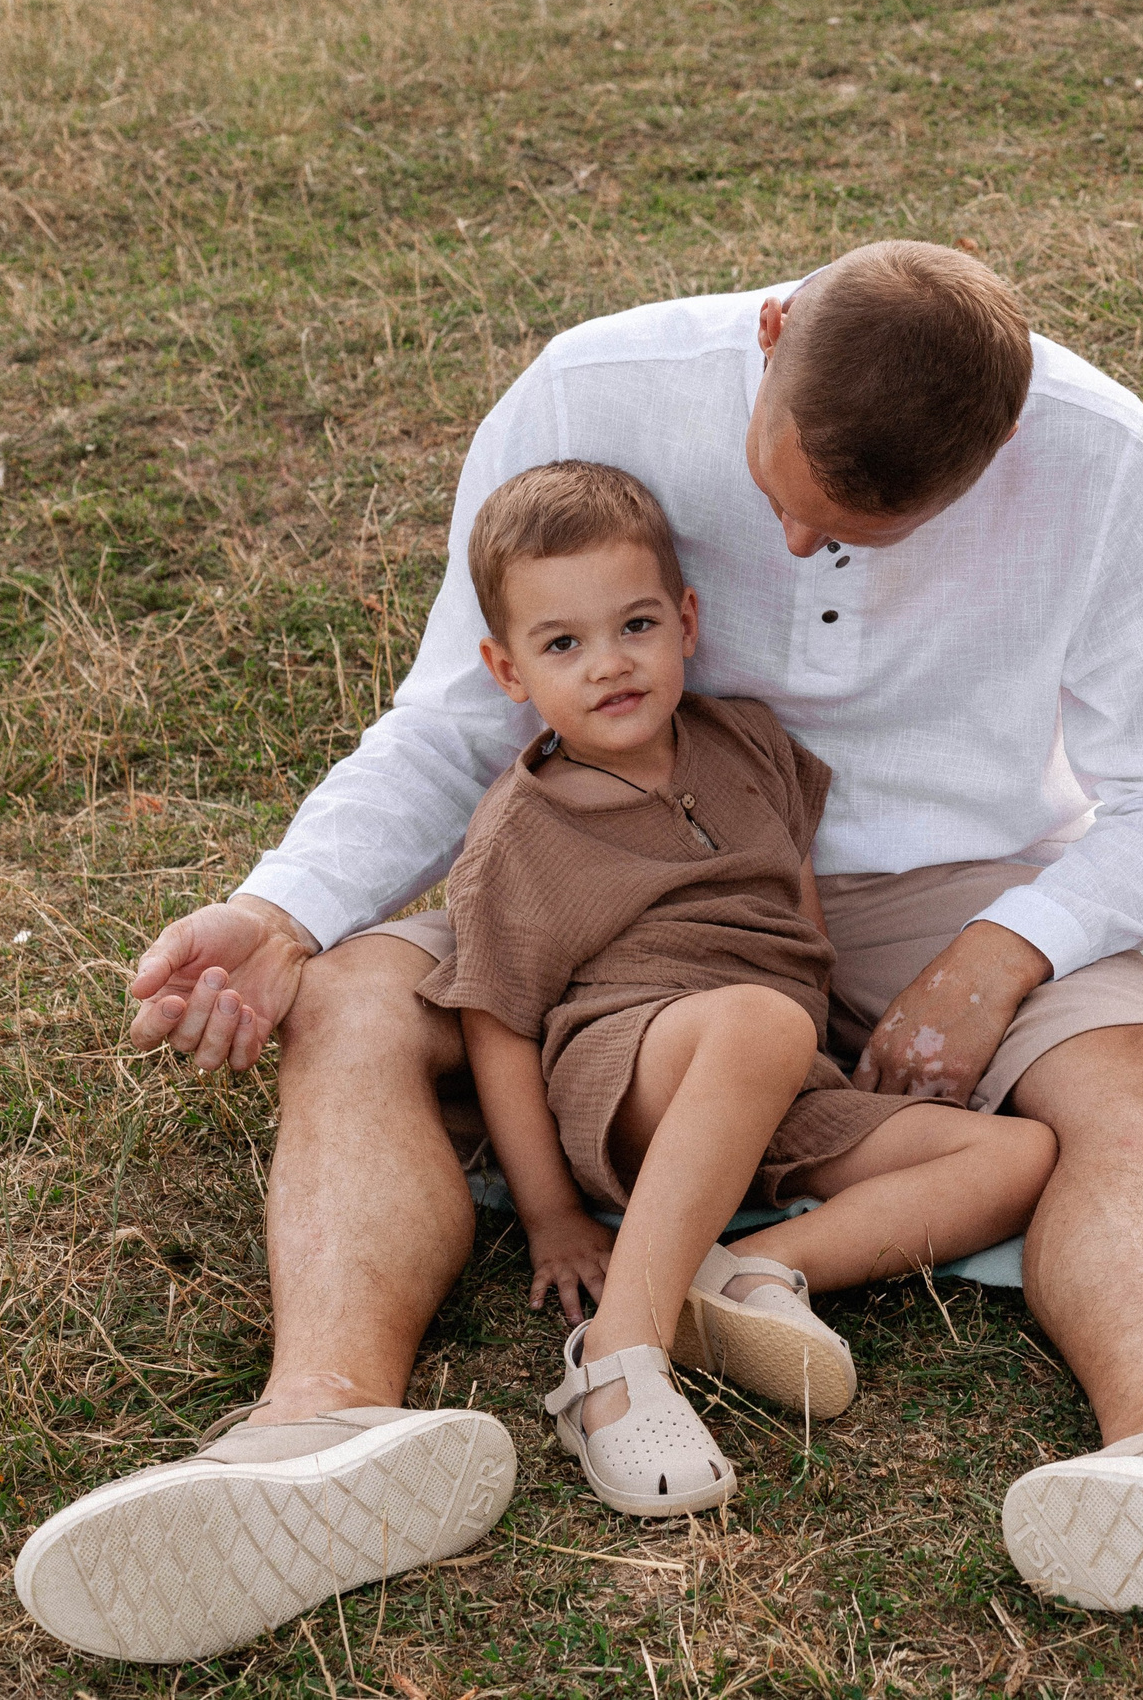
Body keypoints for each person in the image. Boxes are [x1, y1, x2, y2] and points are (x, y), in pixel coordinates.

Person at [16, 241, 1143, 1667]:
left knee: (1141, 1069)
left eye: (861, 535)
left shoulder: (1095, 452)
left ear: (1000, 451)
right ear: (773, 333)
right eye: (782, 501)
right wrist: (285, 909)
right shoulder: (592, 391)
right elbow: (457, 718)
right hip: (628, 873)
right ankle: (314, 1428)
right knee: (349, 993)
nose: (799, 551)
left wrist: (1005, 948)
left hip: (960, 876)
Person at [433, 459, 1059, 1514]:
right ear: (508, 671)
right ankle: (612, 1365)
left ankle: (741, 1277)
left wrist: (834, 1051)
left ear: (686, 619)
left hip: (775, 1071)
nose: (609, 665)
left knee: (1017, 1151)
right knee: (760, 1024)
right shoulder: (521, 832)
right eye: (562, 645)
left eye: (635, 626)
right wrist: (550, 1216)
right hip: (629, 1062)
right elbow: (497, 1027)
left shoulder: (747, 745)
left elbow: (795, 917)